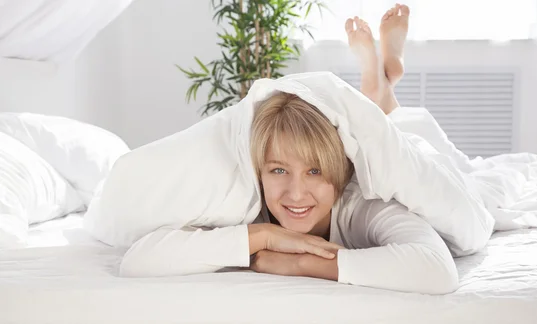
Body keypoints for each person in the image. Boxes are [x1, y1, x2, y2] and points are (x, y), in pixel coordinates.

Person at [119, 4, 459, 294]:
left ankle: (379, 93)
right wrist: (263, 236)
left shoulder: (364, 204)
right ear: (259, 171)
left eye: (315, 171)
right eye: (278, 170)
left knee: (412, 140)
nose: (295, 194)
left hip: (414, 146)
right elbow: (138, 260)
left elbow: (436, 268)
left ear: (340, 172)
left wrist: (301, 263)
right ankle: (378, 90)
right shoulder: (246, 206)